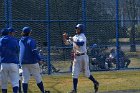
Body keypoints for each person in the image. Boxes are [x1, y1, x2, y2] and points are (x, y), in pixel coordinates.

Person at [63, 24, 99, 93]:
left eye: (78, 28)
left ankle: (95, 82)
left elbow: (81, 43)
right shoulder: (75, 37)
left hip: (83, 57)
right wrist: (64, 38)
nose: (76, 29)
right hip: (76, 57)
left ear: (81, 29)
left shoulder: (83, 36)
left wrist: (72, 39)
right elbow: (67, 43)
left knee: (86, 74)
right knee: (74, 73)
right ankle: (74, 90)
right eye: (76, 28)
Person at [19, 27, 50, 93]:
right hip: (32, 62)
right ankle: (43, 91)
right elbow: (34, 51)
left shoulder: (20, 41)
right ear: (29, 32)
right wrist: (39, 59)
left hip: (23, 62)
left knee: (25, 79)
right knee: (38, 77)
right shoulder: (31, 40)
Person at [0, 28, 19, 93]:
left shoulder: (0, 40)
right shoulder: (14, 40)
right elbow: (17, 50)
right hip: (13, 63)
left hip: (3, 64)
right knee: (15, 83)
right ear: (8, 33)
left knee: (4, 83)